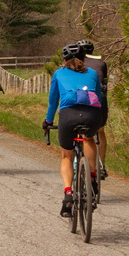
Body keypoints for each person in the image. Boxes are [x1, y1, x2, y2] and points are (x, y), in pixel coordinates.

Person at [42, 43, 106, 217]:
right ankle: (92, 179)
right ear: (84, 59)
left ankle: (68, 193)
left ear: (64, 60)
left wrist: (48, 121)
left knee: (66, 156)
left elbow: (53, 102)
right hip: (92, 115)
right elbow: (99, 98)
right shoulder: (92, 73)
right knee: (89, 139)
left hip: (68, 116)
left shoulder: (59, 73)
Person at [77, 39, 108, 179]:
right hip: (100, 100)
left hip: (82, 99)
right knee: (100, 130)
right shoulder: (101, 63)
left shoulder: (75, 64)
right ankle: (101, 164)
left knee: (80, 128)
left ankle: (81, 160)